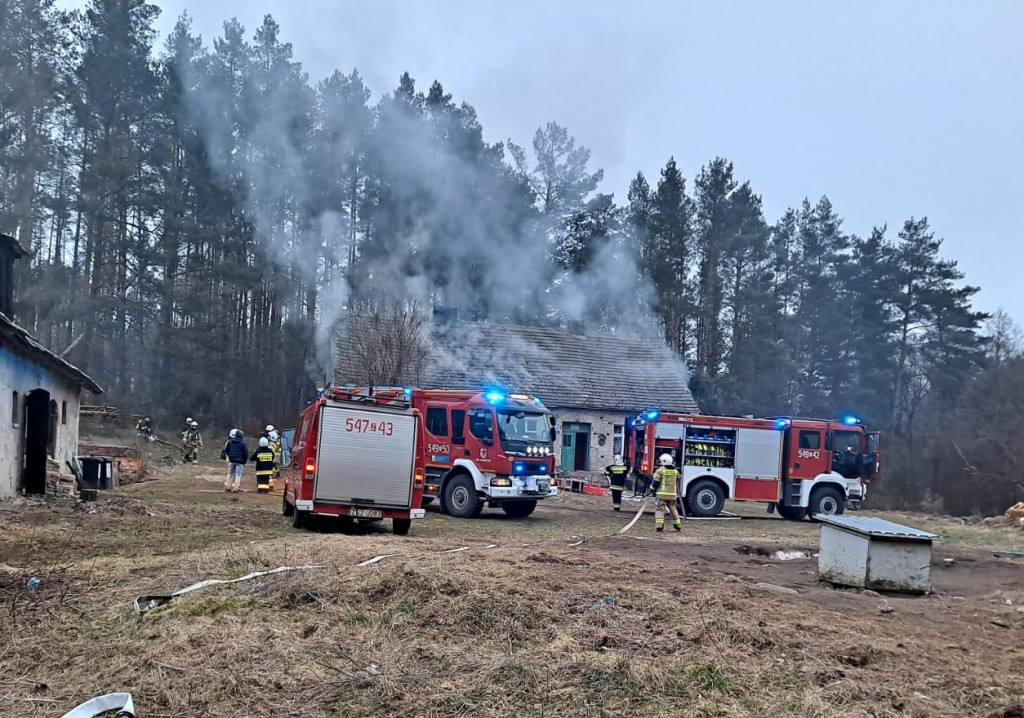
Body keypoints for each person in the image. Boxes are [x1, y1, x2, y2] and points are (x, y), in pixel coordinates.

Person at [651, 453, 682, 533]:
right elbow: (679, 478)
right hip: (672, 495)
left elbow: (655, 482)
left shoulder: (660, 471)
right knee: (673, 509)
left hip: (661, 495)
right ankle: (678, 525)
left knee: (660, 510)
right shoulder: (675, 471)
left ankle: (659, 527)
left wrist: (651, 488)